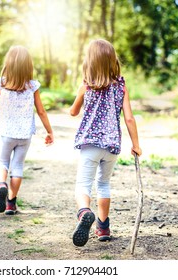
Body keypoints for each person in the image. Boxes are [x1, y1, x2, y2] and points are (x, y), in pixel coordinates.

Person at [69, 39, 142, 246]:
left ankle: (84, 212)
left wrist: (79, 99)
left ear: (90, 61)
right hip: (111, 146)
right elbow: (129, 118)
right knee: (103, 184)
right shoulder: (120, 86)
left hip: (90, 145)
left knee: (83, 184)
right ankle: (103, 228)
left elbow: (73, 111)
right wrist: (136, 144)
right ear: (112, 60)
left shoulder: (86, 85)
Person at [0, 45, 54, 215]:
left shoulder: (2, 83)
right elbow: (41, 111)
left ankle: (1, 185)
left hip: (7, 133)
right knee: (18, 166)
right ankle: (11, 203)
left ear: (9, 64)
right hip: (25, 135)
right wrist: (49, 131)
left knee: (2, 162)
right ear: (28, 66)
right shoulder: (32, 86)